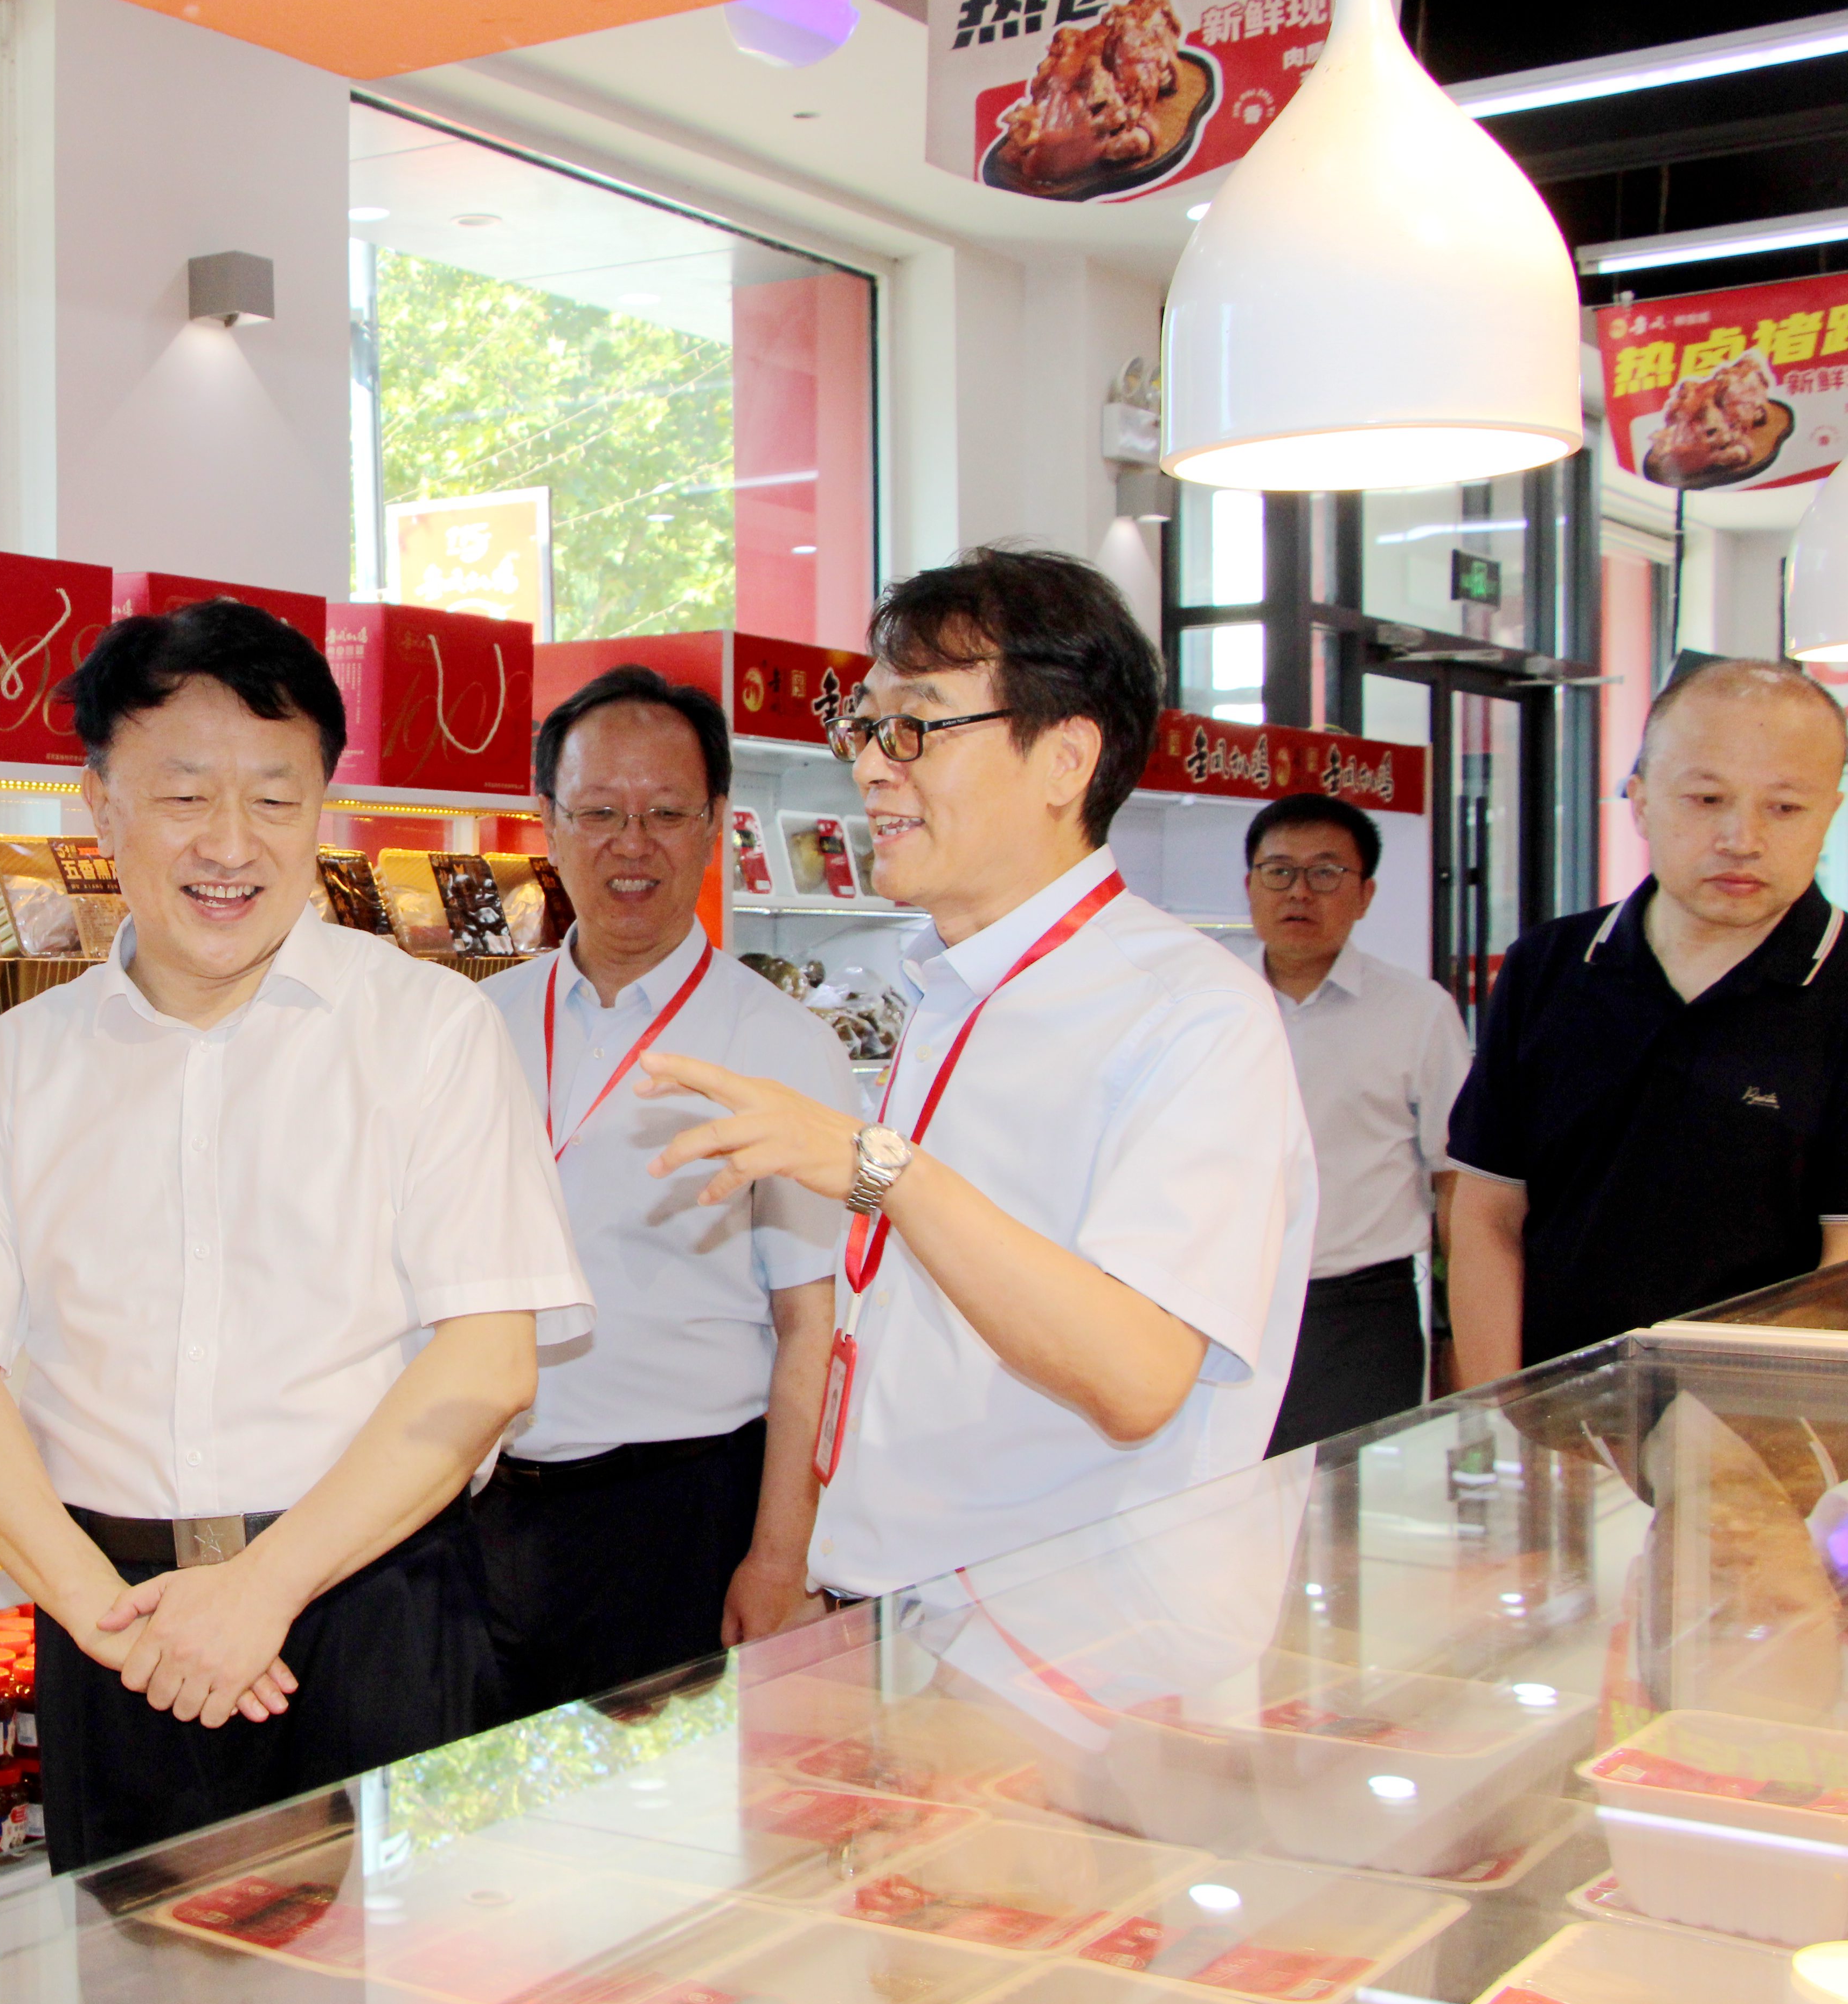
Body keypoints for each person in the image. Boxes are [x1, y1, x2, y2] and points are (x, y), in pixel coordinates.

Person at [0, 598, 591, 1871]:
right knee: (136, 1989)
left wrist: (263, 1589)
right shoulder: (27, 1060)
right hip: (116, 1628)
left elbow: (487, 1361)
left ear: (323, 807)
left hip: (369, 1606)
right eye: (183, 797)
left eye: (274, 799)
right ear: (101, 807)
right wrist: (105, 1614)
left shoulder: (429, 1030)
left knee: (398, 1991)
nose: (230, 843)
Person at [635, 547, 1317, 1608]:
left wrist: (878, 1168)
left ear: (1066, 759)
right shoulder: (955, 984)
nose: (871, 767)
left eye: (916, 726)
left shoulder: (1192, 1013)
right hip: (905, 1608)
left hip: (1076, 1645)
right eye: (864, 726)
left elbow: (1138, 1375)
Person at [474, 666, 856, 1715]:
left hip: (681, 1511)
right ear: (547, 821)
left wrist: (780, 1553)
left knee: (672, 1805)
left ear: (716, 825)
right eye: (599, 812)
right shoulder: (478, 1023)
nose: (630, 844)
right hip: (482, 1514)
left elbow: (812, 1325)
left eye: (666, 814)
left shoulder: (782, 1047)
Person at [1448, 658, 1848, 1378]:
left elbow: (1840, 1271)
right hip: (1554, 1410)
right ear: (1639, 801)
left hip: (1768, 1425)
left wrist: (1727, 1435)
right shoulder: (1548, 967)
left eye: (1785, 808)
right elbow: (1488, 1213)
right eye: (1706, 799)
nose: (1742, 838)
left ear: (1831, 812)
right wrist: (1497, 1411)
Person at [1240, 792, 1470, 1453]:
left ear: (1365, 894)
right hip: (1225, 1301)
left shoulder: (1419, 1013)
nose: (1299, 892)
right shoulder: (1210, 1004)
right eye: (1279, 871)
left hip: (1360, 1314)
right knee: (1222, 1490)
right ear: (1250, 887)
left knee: (1345, 1498)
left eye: (1326, 872)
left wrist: (1459, 1329)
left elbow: (1455, 1180)